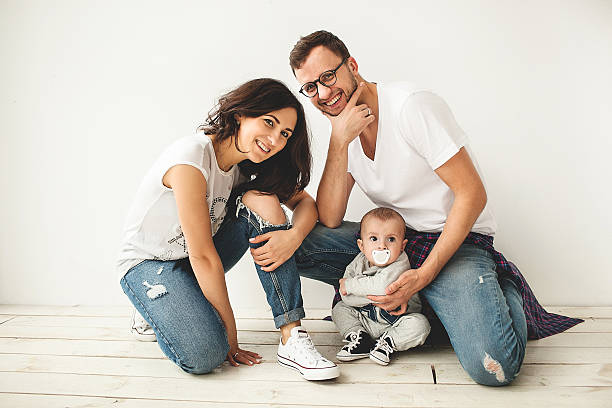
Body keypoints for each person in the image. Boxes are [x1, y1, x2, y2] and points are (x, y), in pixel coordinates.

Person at [289, 31, 583, 386]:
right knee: (298, 243)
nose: (322, 94)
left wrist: (424, 275)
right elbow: (330, 218)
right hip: (397, 244)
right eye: (310, 88)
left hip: (456, 243)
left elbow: (472, 194)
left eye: (328, 77)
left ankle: (502, 292)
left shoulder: (412, 106)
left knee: (496, 367)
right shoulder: (346, 128)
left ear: (352, 66)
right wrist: (339, 140)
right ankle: (432, 306)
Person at [117, 78, 339, 381]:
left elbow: (306, 204)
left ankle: (292, 335)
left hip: (191, 261)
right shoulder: (191, 158)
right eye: (269, 122)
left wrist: (292, 236)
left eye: (284, 133)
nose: (274, 139)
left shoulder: (246, 167)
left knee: (262, 200)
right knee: (207, 355)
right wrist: (230, 339)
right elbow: (204, 257)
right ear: (240, 114)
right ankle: (152, 310)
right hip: (149, 265)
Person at [333, 207, 430, 366]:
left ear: (402, 246)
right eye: (373, 239)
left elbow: (382, 287)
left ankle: (389, 343)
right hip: (365, 319)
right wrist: (360, 291)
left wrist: (353, 287)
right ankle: (360, 338)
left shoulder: (400, 262)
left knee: (420, 325)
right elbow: (345, 296)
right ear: (362, 245)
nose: (382, 246)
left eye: (391, 239)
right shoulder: (358, 262)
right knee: (340, 308)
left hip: (396, 321)